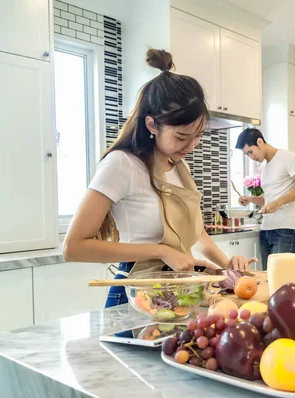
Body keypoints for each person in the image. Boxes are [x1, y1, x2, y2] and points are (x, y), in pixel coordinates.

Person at [63, 49, 256, 308]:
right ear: (152, 125)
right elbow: (74, 247)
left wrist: (228, 267)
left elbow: (195, 231)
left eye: (198, 135)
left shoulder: (178, 166)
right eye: (181, 137)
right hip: (136, 296)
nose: (191, 145)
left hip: (178, 293)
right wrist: (162, 251)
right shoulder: (122, 164)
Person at [235, 128, 295, 269]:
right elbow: (269, 198)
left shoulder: (287, 157)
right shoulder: (264, 166)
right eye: (247, 155)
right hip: (267, 229)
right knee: (268, 278)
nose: (251, 157)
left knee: (280, 278)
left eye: (250, 152)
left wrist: (279, 202)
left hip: (285, 229)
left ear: (260, 142)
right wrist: (251, 199)